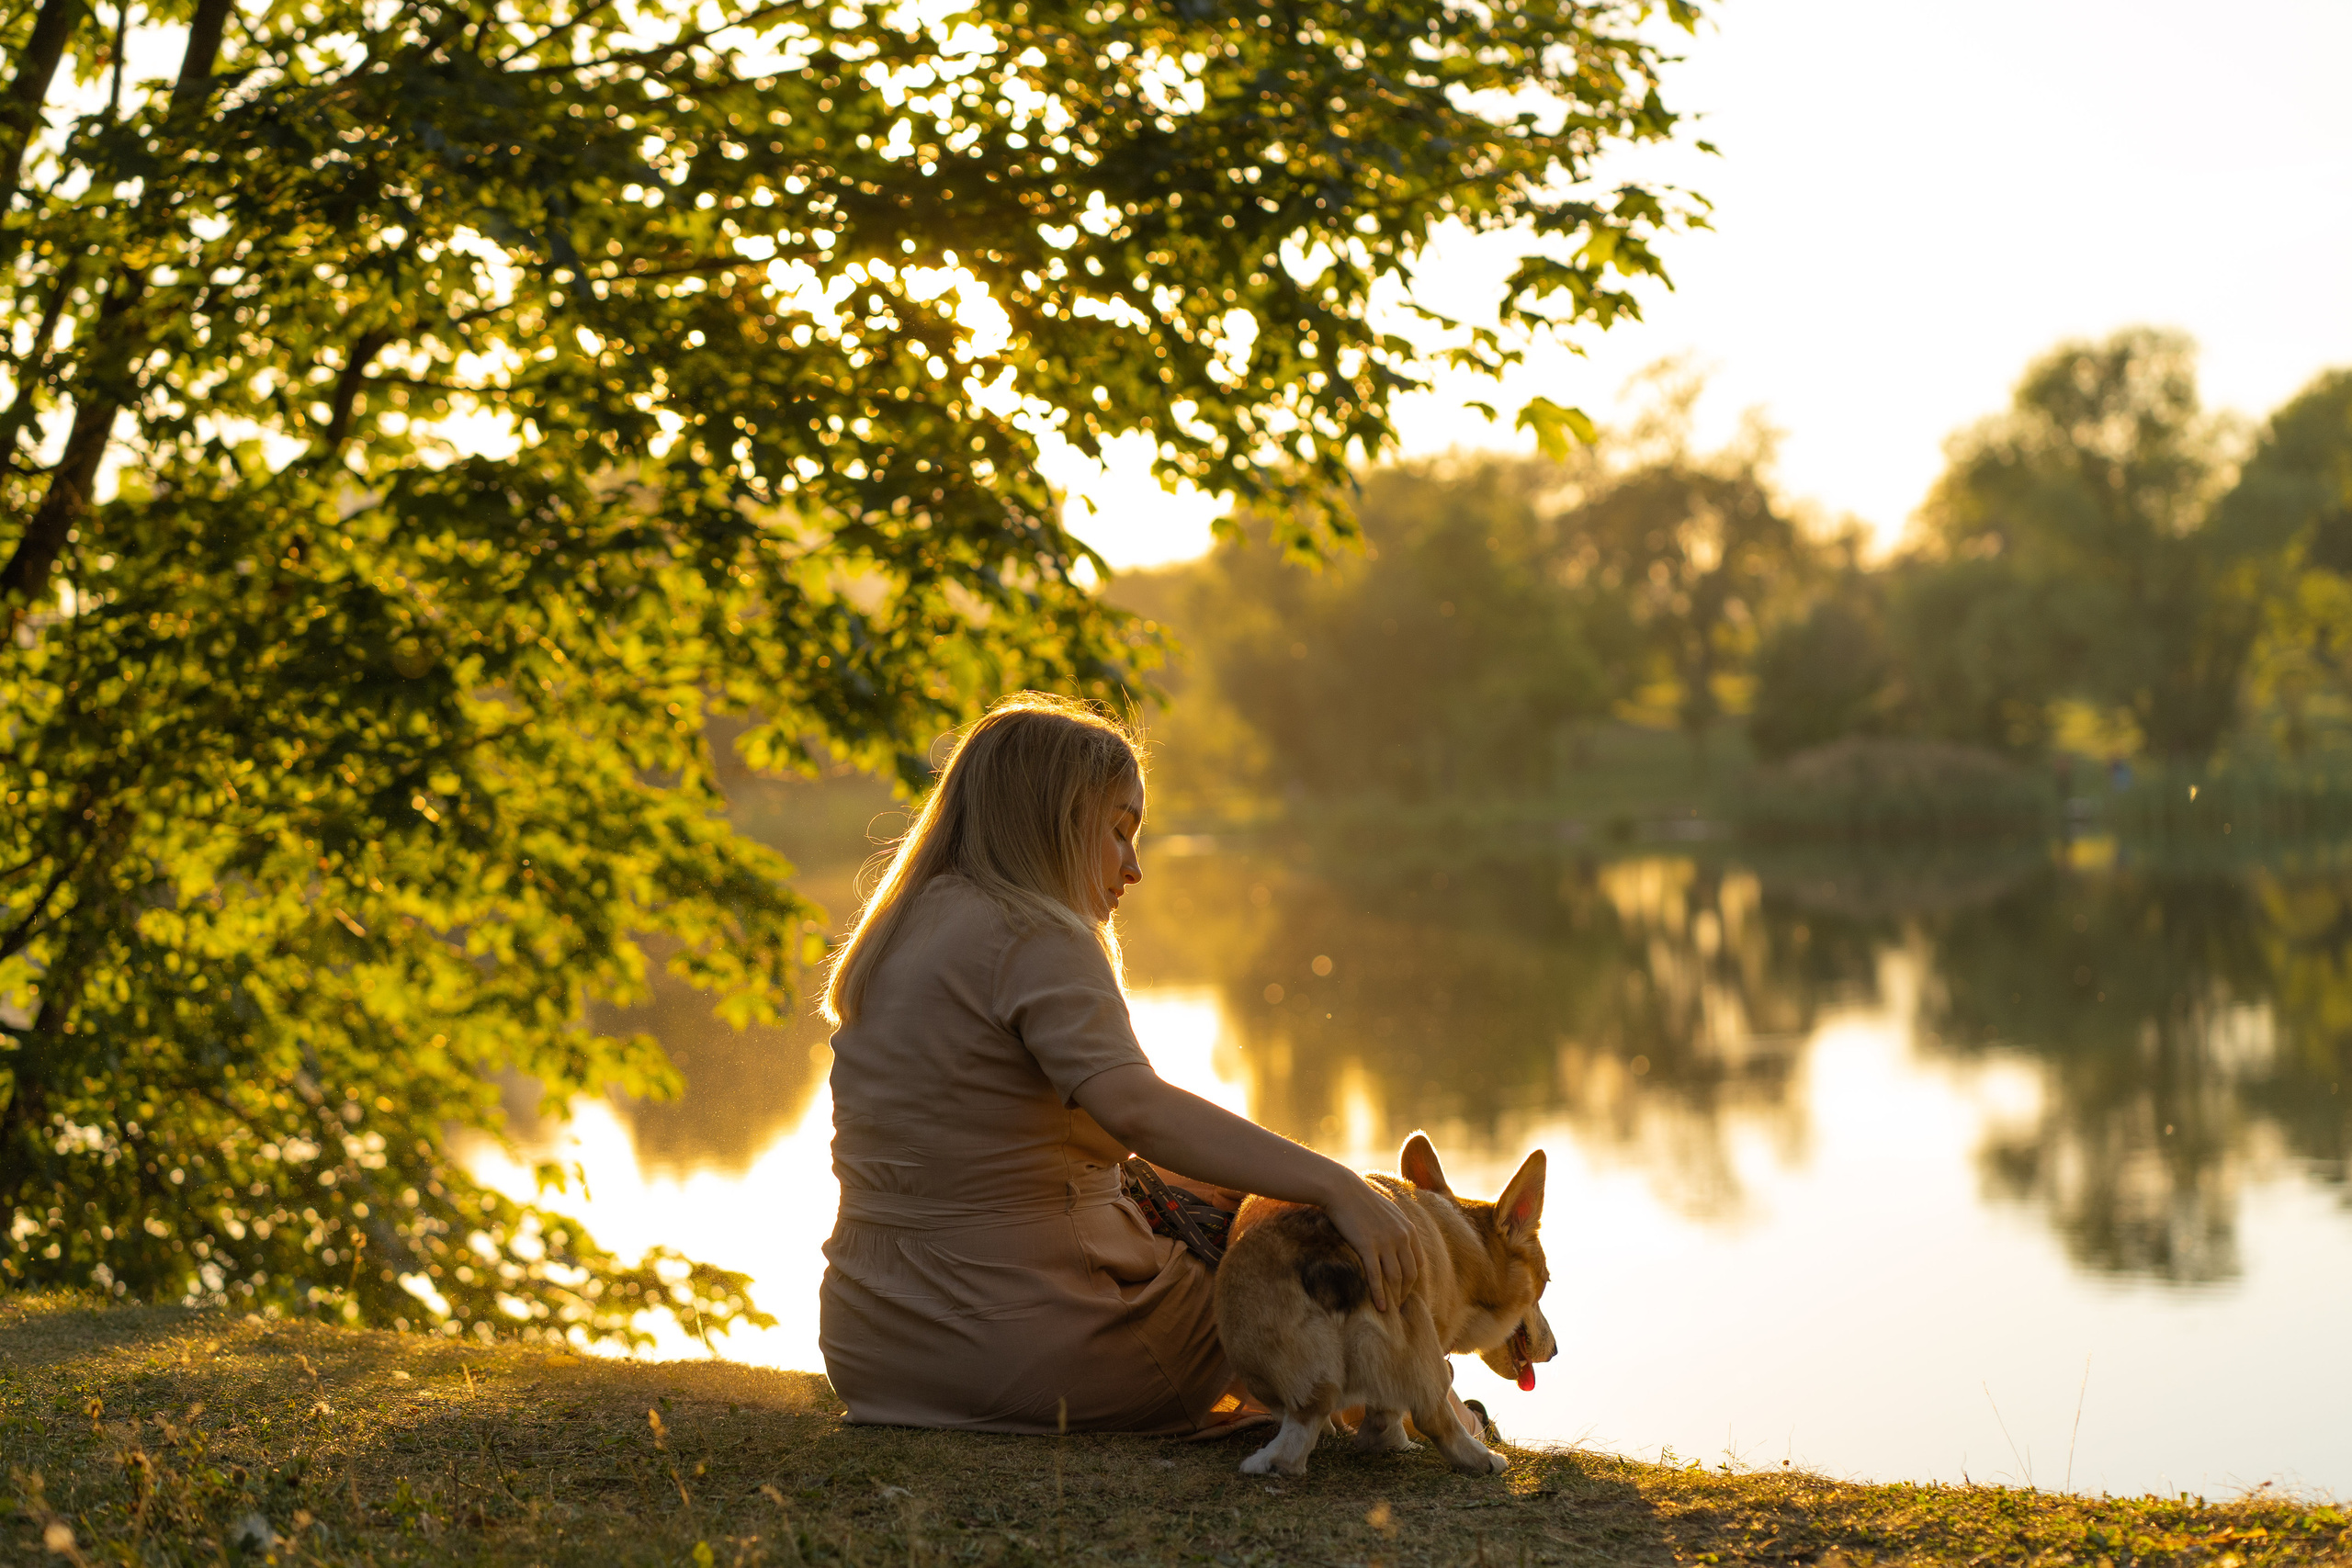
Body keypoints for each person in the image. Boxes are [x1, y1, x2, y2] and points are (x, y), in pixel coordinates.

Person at [816, 693, 1425, 1433]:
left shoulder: (902, 930)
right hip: (1023, 1353)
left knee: (1224, 1190)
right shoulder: (1034, 932)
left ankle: (1373, 1409)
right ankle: (1420, 1406)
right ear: (1056, 821)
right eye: (1118, 831)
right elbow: (1140, 1111)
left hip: (874, 1348)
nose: (1133, 868)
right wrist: (1339, 1186)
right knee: (1288, 1243)